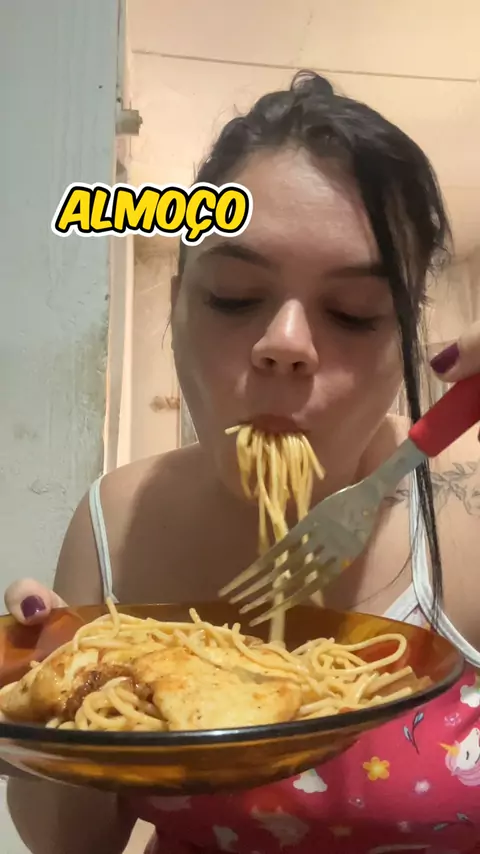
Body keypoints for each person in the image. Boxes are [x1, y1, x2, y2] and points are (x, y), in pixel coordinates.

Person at [5, 70, 480, 854]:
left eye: (353, 313)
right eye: (233, 295)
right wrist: (52, 707)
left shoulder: (465, 502)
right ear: (177, 304)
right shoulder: (117, 519)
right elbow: (73, 845)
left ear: (404, 335)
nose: (286, 344)